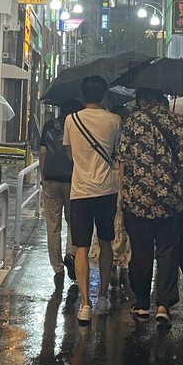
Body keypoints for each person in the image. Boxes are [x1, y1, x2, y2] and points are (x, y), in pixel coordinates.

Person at [119, 87, 183, 325]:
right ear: (162, 98)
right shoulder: (177, 121)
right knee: (167, 251)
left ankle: (141, 303)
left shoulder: (132, 122)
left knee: (141, 252)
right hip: (169, 200)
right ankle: (163, 304)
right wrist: (176, 186)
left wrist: (123, 192)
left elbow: (123, 160)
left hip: (137, 200)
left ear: (142, 99)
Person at [63, 75, 122, 325]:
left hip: (80, 191)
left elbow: (69, 153)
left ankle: (85, 305)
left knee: (81, 247)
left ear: (83, 94)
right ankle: (102, 297)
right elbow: (116, 152)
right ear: (104, 94)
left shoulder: (71, 119)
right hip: (107, 189)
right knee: (106, 242)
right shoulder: (114, 120)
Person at [38, 98, 83, 289]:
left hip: (51, 180)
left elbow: (42, 153)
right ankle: (71, 253)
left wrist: (43, 176)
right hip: (74, 180)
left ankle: (57, 268)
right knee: (74, 221)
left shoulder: (49, 126)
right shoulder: (79, 127)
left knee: (53, 225)